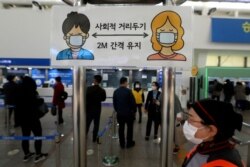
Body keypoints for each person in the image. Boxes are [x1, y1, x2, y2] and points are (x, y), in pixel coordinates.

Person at [182, 99, 244, 167]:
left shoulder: (223, 164)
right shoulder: (203, 147)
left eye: (191, 120)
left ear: (212, 130)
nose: (186, 122)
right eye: (187, 117)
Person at [15, 76, 48, 163]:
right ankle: (38, 155)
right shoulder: (32, 92)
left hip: (23, 118)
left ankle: (27, 154)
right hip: (33, 117)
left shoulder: (18, 91)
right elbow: (36, 102)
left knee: (25, 136)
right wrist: (41, 100)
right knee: (38, 135)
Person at [113, 77, 136, 149]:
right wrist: (134, 111)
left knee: (121, 128)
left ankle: (122, 144)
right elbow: (133, 103)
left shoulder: (116, 91)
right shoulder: (129, 91)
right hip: (129, 114)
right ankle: (129, 143)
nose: (127, 83)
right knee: (129, 129)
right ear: (125, 82)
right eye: (127, 82)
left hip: (120, 114)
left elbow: (115, 104)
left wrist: (118, 110)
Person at [86, 75, 106, 143]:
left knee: (87, 123)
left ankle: (84, 135)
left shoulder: (88, 89)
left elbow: (85, 98)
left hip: (89, 109)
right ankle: (94, 138)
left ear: (94, 80)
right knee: (96, 124)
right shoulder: (102, 90)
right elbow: (103, 99)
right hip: (97, 109)